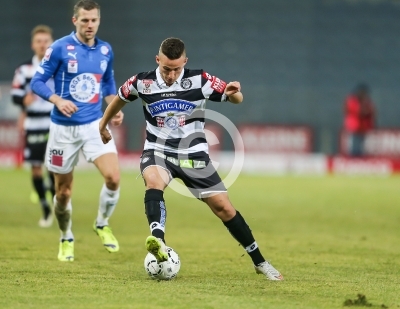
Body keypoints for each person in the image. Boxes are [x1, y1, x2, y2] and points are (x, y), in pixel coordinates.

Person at [99, 37, 284, 280]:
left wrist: (235, 93)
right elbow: (119, 100)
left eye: (177, 69)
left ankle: (260, 262)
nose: (171, 75)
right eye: (166, 69)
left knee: (224, 208)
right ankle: (159, 242)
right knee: (154, 180)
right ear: (157, 61)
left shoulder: (200, 80)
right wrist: (104, 124)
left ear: (185, 62)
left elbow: (235, 98)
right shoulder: (141, 82)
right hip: (158, 150)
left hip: (193, 154)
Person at [31, 0, 124, 262]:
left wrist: (113, 108)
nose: (90, 24)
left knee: (114, 178)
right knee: (63, 193)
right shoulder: (60, 48)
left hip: (94, 126)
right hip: (63, 130)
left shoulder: (106, 50)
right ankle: (66, 236)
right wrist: (57, 100)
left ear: (99, 20)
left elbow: (107, 84)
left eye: (94, 19)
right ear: (75, 21)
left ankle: (102, 223)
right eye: (85, 20)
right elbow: (37, 81)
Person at [11, 25, 56, 228]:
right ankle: (46, 208)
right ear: (33, 45)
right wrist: (24, 100)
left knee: (54, 167)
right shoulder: (24, 70)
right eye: (39, 41)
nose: (42, 44)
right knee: (36, 168)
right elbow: (15, 94)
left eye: (46, 41)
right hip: (34, 124)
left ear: (51, 44)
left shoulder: (57, 67)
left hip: (55, 123)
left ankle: (56, 202)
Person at [343, 83, 375, 157]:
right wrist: (365, 108)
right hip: (354, 127)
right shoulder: (352, 101)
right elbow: (359, 112)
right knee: (354, 147)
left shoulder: (367, 102)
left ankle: (360, 159)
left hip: (363, 127)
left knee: (362, 147)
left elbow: (371, 112)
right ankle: (353, 160)